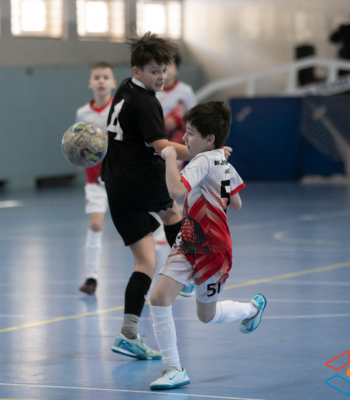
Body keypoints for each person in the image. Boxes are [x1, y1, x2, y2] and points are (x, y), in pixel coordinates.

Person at [103, 32, 231, 360]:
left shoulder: (124, 88)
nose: (161, 77)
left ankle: (128, 333)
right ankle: (187, 275)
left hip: (115, 184)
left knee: (146, 262)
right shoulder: (147, 101)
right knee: (173, 213)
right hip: (140, 178)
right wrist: (205, 153)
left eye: (164, 69)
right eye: (154, 71)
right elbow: (161, 147)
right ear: (137, 71)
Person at [148, 102, 267, 390]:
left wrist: (169, 157)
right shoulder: (222, 162)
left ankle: (251, 309)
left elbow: (176, 190)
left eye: (190, 133)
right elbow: (236, 203)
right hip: (188, 241)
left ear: (210, 138)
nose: (184, 138)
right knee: (159, 298)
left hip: (213, 252)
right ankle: (174, 369)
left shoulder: (203, 161)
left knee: (206, 316)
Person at [75, 62, 117, 295]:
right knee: (95, 224)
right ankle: (91, 277)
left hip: (121, 177)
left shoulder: (120, 109)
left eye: (105, 77)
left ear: (113, 83)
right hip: (95, 179)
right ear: (90, 83)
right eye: (97, 77)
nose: (101, 81)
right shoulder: (83, 113)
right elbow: (78, 144)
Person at [152, 51, 198, 251]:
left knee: (168, 182)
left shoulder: (184, 91)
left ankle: (169, 227)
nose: (165, 70)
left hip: (176, 142)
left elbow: (194, 117)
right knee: (157, 183)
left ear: (176, 69)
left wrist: (178, 121)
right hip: (155, 142)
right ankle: (165, 223)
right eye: (161, 65)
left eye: (169, 65)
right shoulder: (153, 90)